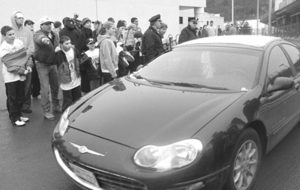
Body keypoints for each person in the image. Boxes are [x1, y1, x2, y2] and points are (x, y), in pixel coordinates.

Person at [0, 26, 30, 126]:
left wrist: (28, 65)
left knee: (20, 96)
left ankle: (19, 114)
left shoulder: (18, 43)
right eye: (10, 35)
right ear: (4, 36)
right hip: (10, 77)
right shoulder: (3, 48)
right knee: (12, 98)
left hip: (21, 75)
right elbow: (10, 64)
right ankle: (14, 118)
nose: (13, 36)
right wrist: (23, 71)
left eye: (13, 34)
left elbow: (25, 56)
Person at [34, 16, 61, 120]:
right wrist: (44, 40)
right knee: (45, 89)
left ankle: (56, 105)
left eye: (50, 23)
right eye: (46, 24)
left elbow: (57, 44)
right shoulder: (38, 34)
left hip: (53, 63)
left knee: (55, 86)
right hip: (42, 65)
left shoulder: (55, 34)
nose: (49, 25)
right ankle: (46, 111)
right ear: (41, 26)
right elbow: (39, 39)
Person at [11, 11, 34, 114]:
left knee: (27, 85)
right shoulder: (10, 31)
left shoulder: (28, 31)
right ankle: (16, 108)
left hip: (26, 60)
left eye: (22, 18)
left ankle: (26, 106)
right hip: (14, 62)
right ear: (14, 19)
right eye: (19, 18)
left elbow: (31, 47)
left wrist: (25, 56)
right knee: (15, 86)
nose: (21, 19)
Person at [54, 36, 81, 112]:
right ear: (61, 44)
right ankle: (66, 115)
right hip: (65, 78)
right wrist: (54, 52)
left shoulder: (73, 50)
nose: (69, 45)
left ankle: (77, 112)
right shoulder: (59, 53)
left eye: (70, 43)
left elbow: (80, 57)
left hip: (75, 76)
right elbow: (51, 61)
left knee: (77, 97)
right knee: (67, 99)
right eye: (66, 43)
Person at [24, 19, 41, 100]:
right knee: (27, 77)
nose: (31, 25)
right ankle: (28, 94)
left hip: (35, 56)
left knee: (36, 76)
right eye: (29, 24)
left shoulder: (35, 33)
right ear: (25, 25)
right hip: (26, 57)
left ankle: (36, 93)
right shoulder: (24, 34)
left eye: (32, 24)